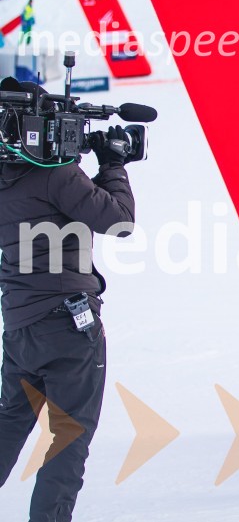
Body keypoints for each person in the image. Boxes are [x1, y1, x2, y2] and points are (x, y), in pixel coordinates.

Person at [0, 81, 137, 521]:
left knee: (9, 424)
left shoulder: (13, 179)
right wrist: (113, 163)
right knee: (69, 434)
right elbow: (117, 221)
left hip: (20, 327)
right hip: (67, 325)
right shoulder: (57, 175)